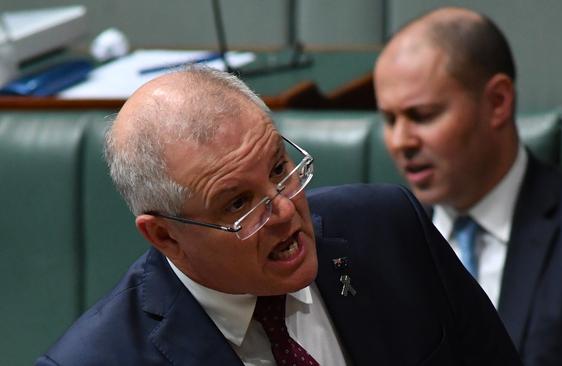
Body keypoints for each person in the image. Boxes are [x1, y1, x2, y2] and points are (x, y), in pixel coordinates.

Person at [35, 67, 521, 366]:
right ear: (165, 236)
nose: (286, 210)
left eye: (279, 169)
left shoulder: (389, 230)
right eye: (238, 204)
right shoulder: (97, 359)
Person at [374, 6, 562, 366]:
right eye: (389, 119)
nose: (399, 141)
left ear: (498, 102)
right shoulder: (387, 242)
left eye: (422, 116)